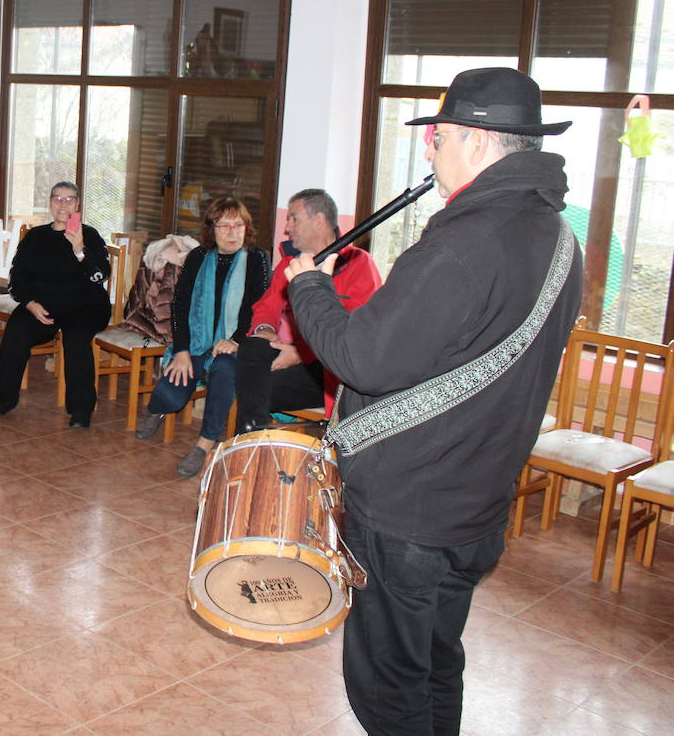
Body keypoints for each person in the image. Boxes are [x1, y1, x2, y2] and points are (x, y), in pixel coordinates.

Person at [284, 68, 582, 735]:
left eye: (439, 136)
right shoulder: (561, 242)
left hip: (408, 515)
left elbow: (364, 356)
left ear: (476, 144)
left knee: (387, 688)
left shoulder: (462, 245)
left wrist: (310, 289)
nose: (429, 149)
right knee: (437, 665)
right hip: (474, 508)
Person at [133, 197, 271, 477]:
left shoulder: (256, 258)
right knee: (172, 394)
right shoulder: (198, 257)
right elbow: (179, 306)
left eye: (238, 225)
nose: (232, 232)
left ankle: (204, 444)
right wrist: (182, 350)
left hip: (236, 345)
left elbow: (256, 308)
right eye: (224, 226)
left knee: (224, 370)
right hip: (196, 342)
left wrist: (235, 341)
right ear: (212, 229)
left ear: (247, 228)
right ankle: (158, 409)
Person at [234, 188, 381, 431]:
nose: (287, 227)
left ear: (319, 221)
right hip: (290, 355)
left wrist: (301, 354)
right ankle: (251, 435)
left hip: (329, 368)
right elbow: (267, 305)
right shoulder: (290, 262)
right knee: (252, 348)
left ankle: (250, 439)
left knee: (253, 387)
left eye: (294, 218)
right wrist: (264, 328)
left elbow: (359, 332)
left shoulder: (359, 263)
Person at [0, 181, 111, 428]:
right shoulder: (35, 237)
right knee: (16, 331)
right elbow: (17, 277)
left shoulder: (90, 235)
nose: (63, 204)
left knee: (76, 338)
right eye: (57, 198)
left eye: (69, 199)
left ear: (77, 204)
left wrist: (79, 251)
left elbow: (100, 276)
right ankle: (3, 400)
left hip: (85, 306)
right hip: (44, 305)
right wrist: (29, 302)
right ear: (50, 202)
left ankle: (81, 411)